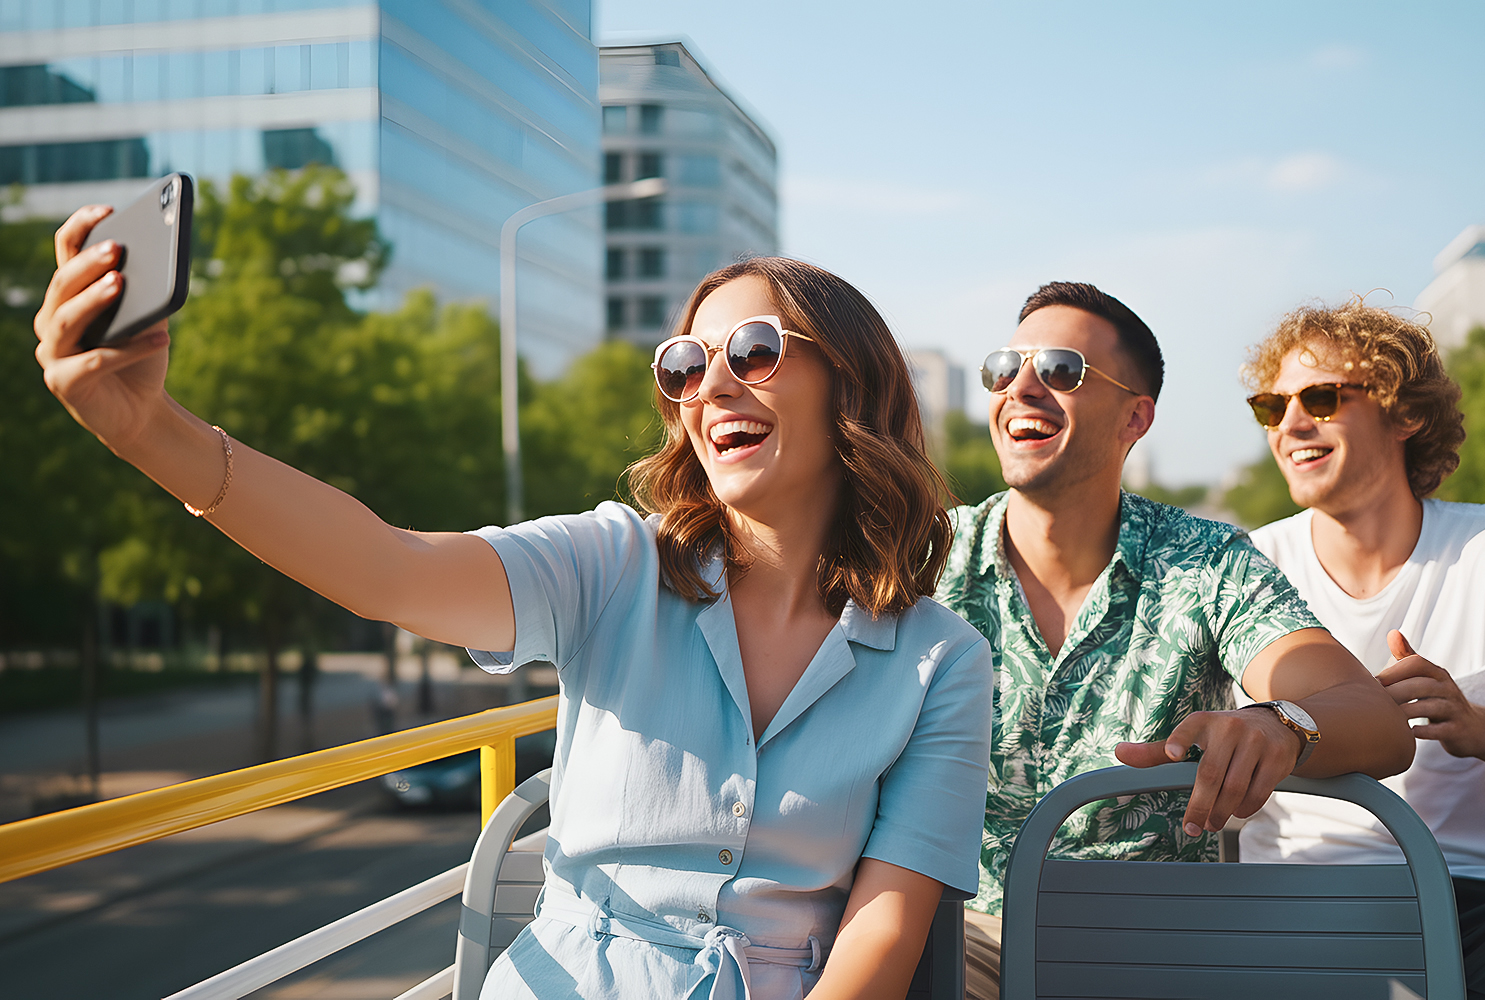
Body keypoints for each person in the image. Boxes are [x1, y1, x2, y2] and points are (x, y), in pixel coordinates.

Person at [33, 208, 994, 1000]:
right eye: (683, 367)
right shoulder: (612, 563)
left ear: (851, 380)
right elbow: (388, 570)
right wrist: (151, 431)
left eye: (753, 350)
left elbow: (883, 931)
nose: (712, 388)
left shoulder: (942, 664)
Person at [932, 281, 1416, 1000]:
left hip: (1150, 946)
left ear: (1136, 416)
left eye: (1062, 370)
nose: (1022, 389)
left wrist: (1279, 725)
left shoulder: (1206, 561)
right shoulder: (922, 558)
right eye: (1005, 369)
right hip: (956, 941)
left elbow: (1375, 721)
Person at [1236, 300, 1485, 1000]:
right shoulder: (1249, 564)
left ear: (1406, 414)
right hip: (1289, 900)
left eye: (1319, 398)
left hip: (1481, 900)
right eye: (1270, 407)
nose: (1290, 425)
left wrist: (1477, 728)